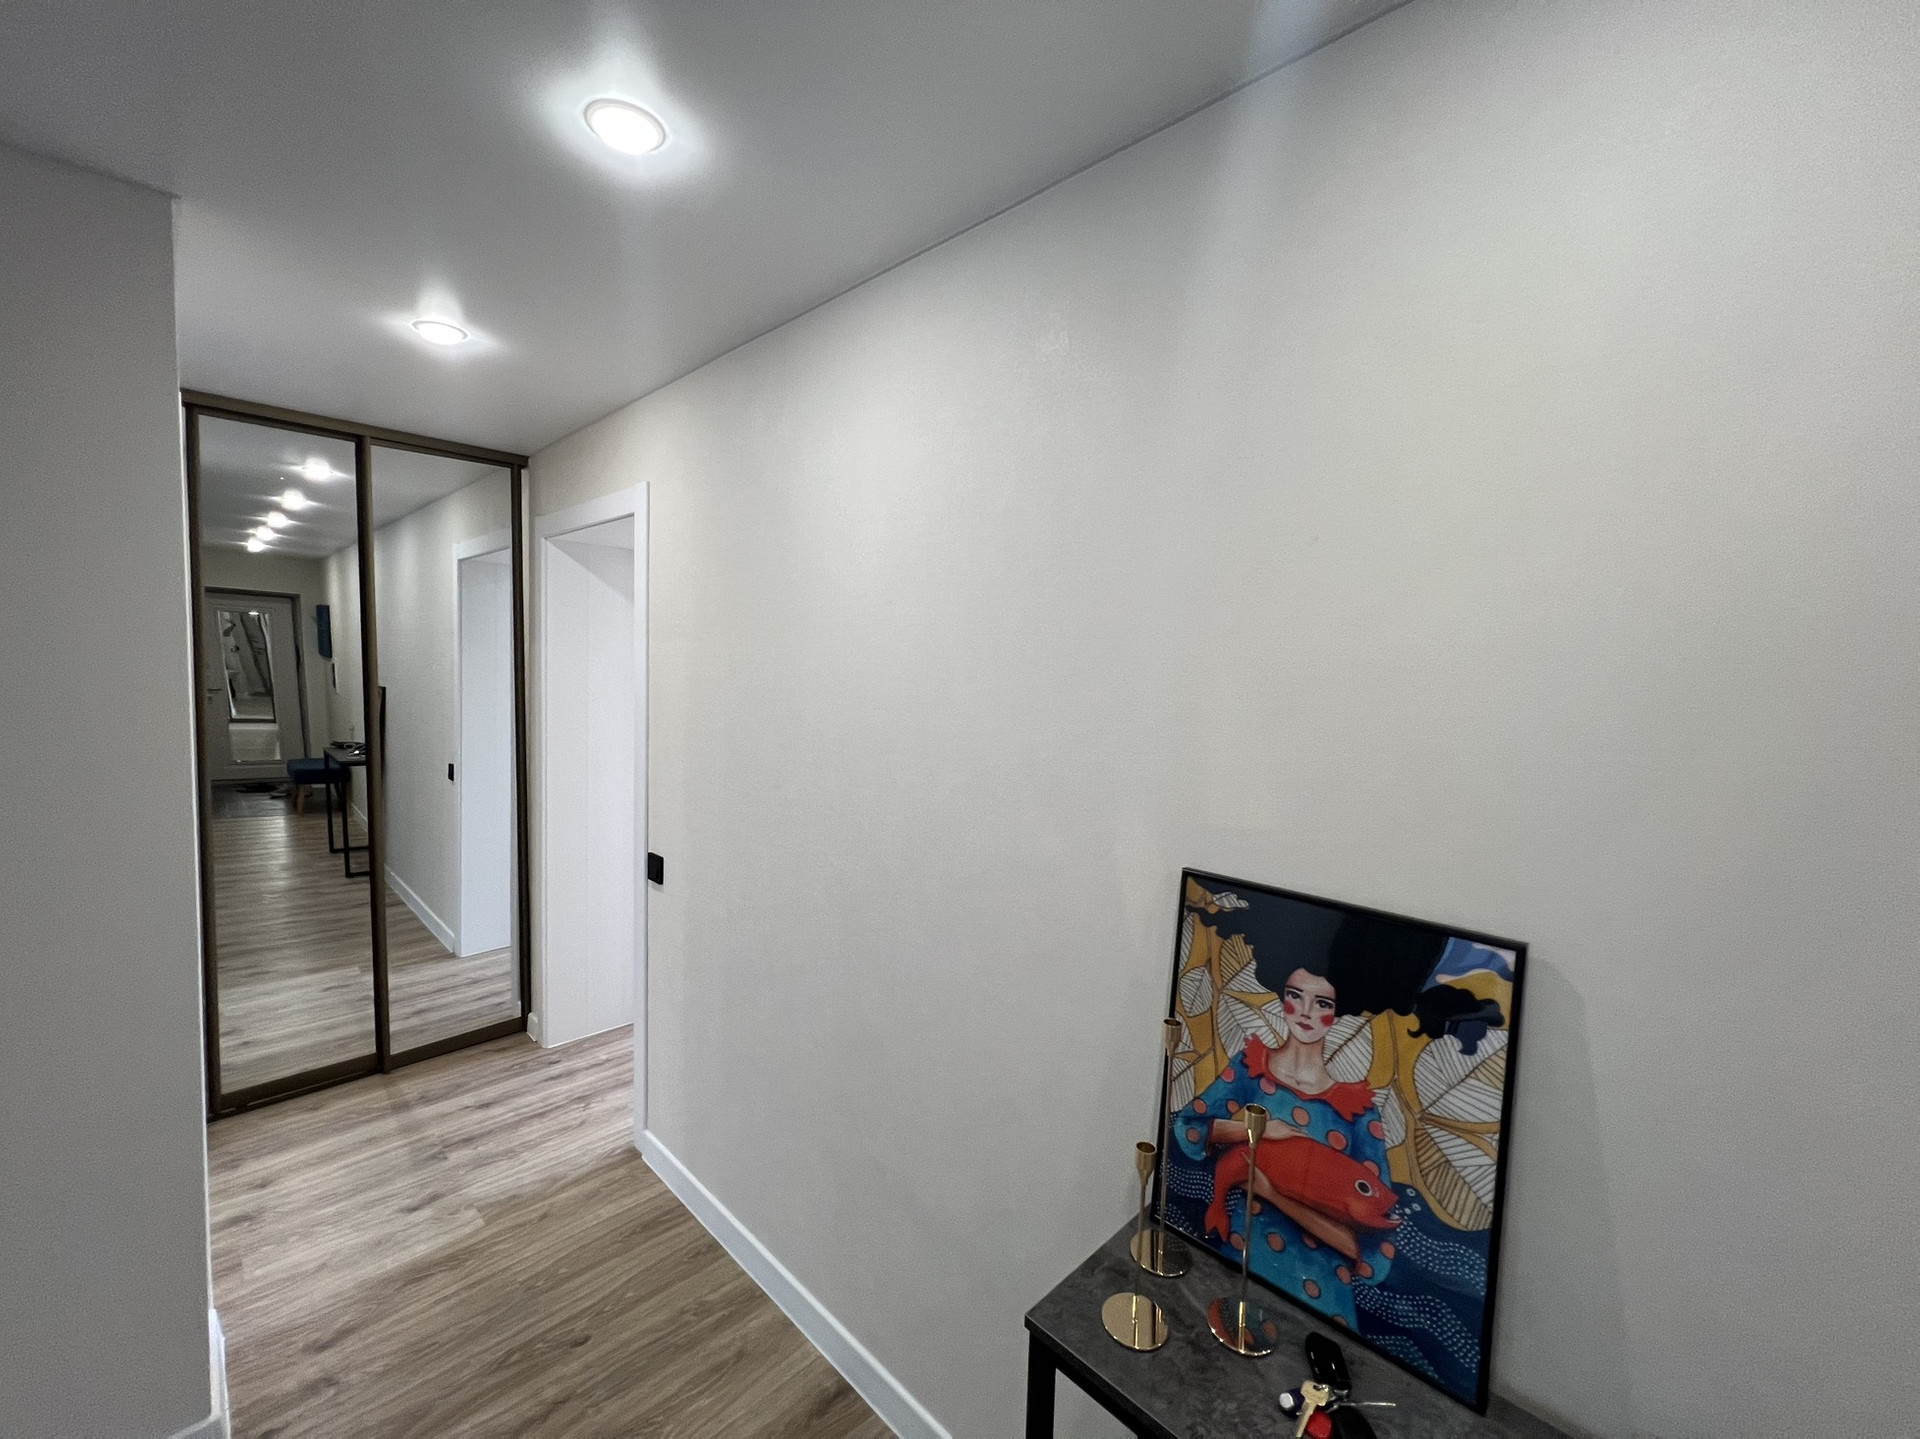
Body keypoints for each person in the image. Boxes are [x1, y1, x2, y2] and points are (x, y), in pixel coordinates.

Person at [1172, 909, 1442, 1327]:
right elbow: (1189, 1129)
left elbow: (1371, 1253)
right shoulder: (1250, 1069)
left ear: (1340, 1009)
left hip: (1322, 1299)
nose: (1304, 1012)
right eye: (1294, 996)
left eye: (1323, 1003)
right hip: (1237, 1265)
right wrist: (1261, 1129)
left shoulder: (1357, 1113)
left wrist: (1271, 1191)